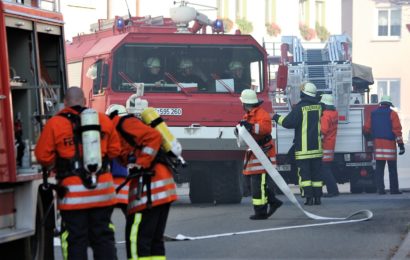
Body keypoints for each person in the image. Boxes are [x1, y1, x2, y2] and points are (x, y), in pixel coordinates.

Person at [35, 86, 121, 260]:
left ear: (65, 102)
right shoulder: (103, 120)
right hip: (102, 191)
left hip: (72, 194)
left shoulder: (55, 123)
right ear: (84, 101)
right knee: (103, 237)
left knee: (76, 239)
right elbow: (115, 152)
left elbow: (43, 156)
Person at [110, 103, 178, 259]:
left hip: (150, 188)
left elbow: (154, 137)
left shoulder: (124, 124)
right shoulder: (122, 130)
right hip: (161, 188)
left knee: (136, 240)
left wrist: (141, 163)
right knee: (154, 241)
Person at [272, 82, 323, 206]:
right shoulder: (319, 107)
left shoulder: (300, 108)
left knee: (304, 175)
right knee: (316, 174)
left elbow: (287, 123)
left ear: (302, 93)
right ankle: (317, 198)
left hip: (303, 149)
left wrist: (275, 116)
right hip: (317, 148)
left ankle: (308, 198)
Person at [238, 89, 282, 220]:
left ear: (245, 103)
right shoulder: (249, 115)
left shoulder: (261, 114)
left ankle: (261, 212)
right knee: (254, 184)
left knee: (259, 185)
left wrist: (250, 127)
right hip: (255, 155)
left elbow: (265, 129)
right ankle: (273, 202)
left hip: (263, 154)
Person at [363, 95, 405, 195]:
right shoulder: (393, 114)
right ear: (389, 104)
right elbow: (397, 130)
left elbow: (366, 128)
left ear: (381, 103)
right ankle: (394, 190)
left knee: (379, 170)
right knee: (392, 170)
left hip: (378, 146)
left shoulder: (373, 114)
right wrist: (401, 145)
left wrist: (368, 135)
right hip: (389, 146)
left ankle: (380, 190)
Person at [106, 104, 130, 216]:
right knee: (131, 218)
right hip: (125, 183)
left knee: (103, 219)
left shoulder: (109, 134)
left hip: (110, 184)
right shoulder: (128, 133)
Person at [320, 94, 340, 197]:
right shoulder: (334, 113)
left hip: (325, 145)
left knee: (325, 170)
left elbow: (323, 130)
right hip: (331, 144)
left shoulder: (325, 115)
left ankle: (333, 191)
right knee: (327, 169)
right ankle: (333, 190)